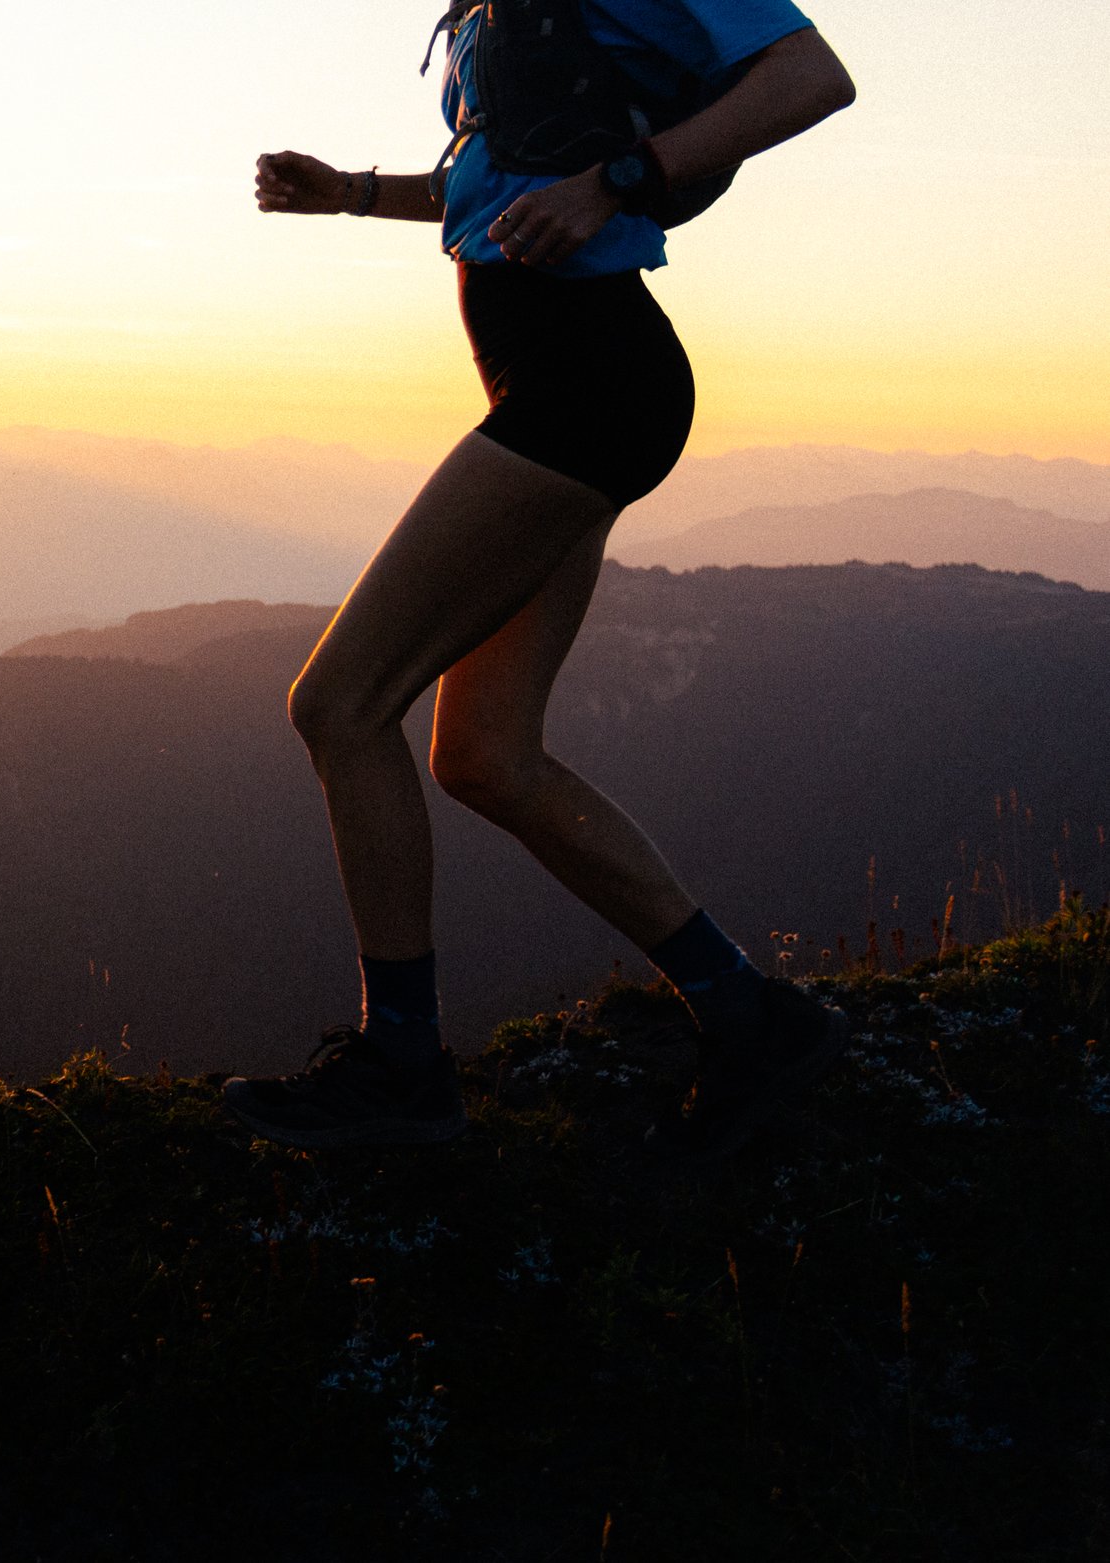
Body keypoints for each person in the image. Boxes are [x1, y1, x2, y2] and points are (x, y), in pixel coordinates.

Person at [224, 0, 858, 1161]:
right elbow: (505, 186)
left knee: (338, 706)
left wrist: (617, 178)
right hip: (563, 383)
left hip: (583, 381)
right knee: (482, 756)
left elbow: (812, 76)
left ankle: (402, 1062)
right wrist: (353, 192)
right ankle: (746, 1015)